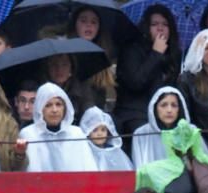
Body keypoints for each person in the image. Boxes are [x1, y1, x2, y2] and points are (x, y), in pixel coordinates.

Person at [114, 4, 182, 140]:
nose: (160, 28)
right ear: (146, 27)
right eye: (154, 24)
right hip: (134, 115)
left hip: (162, 115)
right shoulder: (132, 50)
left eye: (165, 24)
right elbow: (135, 82)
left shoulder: (174, 53)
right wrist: (155, 54)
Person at [19, 82, 97, 173]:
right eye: (48, 105)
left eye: (58, 104)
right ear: (40, 108)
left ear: (65, 107)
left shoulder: (76, 133)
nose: (54, 110)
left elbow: (89, 168)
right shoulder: (29, 134)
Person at [131, 86, 199, 169]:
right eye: (163, 105)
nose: (169, 110)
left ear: (180, 108)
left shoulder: (190, 130)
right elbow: (139, 167)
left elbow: (201, 163)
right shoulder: (141, 133)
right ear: (155, 108)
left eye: (174, 105)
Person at [66, 5, 117, 110]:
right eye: (83, 21)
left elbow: (100, 97)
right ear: (75, 24)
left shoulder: (103, 53)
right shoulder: (64, 51)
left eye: (94, 22)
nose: (89, 25)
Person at [44, 52, 95, 123]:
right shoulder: (41, 90)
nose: (59, 69)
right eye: (54, 64)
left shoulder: (82, 89)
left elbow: (89, 113)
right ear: (48, 68)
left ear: (71, 68)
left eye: (64, 65)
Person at [79, 107, 134, 171]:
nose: (99, 134)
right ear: (87, 132)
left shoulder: (114, 151)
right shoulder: (85, 152)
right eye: (95, 130)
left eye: (103, 130)